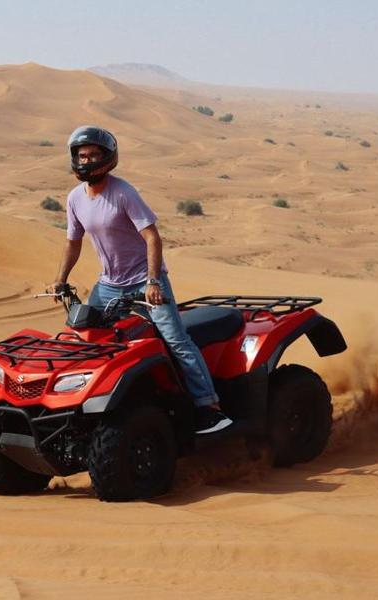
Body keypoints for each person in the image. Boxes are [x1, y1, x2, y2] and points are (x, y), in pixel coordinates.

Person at [48, 125, 233, 434]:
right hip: (108, 285)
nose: (87, 160)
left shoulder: (123, 192)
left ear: (107, 158)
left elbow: (152, 237)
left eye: (94, 154)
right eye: (82, 155)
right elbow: (73, 242)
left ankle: (209, 407)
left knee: (175, 339)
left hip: (142, 281)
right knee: (80, 339)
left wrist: (153, 281)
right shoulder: (74, 199)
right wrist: (60, 279)